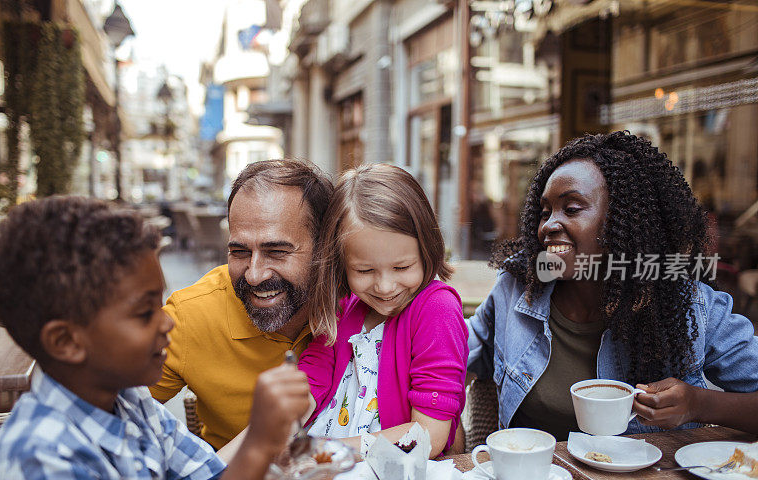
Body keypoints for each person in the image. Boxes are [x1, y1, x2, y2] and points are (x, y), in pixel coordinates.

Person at [0, 196, 311, 480]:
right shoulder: (41, 457)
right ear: (66, 342)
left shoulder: (130, 401)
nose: (167, 323)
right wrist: (258, 444)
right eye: (144, 312)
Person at [467, 131, 758, 441]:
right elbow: (450, 355)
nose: (549, 225)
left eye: (572, 208)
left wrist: (700, 404)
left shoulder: (687, 305)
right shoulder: (516, 286)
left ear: (623, 221)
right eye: (544, 212)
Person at [150, 159, 333, 451]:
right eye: (239, 251)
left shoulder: (366, 299)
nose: (254, 274)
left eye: (276, 251)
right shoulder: (190, 315)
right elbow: (108, 417)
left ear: (325, 248)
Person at [299, 164, 468, 458]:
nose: (385, 286)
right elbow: (312, 379)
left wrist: (326, 451)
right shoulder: (343, 305)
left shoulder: (436, 309)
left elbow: (428, 435)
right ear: (341, 263)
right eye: (364, 270)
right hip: (326, 472)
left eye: (402, 267)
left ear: (427, 249)